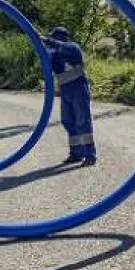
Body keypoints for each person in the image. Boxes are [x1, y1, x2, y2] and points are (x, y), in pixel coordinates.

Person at [41, 26, 97, 166]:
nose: (52, 40)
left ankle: (90, 155)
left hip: (78, 88)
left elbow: (62, 47)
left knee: (82, 121)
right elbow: (46, 62)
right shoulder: (55, 54)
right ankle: (76, 153)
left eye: (54, 37)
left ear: (61, 38)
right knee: (68, 121)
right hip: (65, 90)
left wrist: (48, 41)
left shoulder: (73, 48)